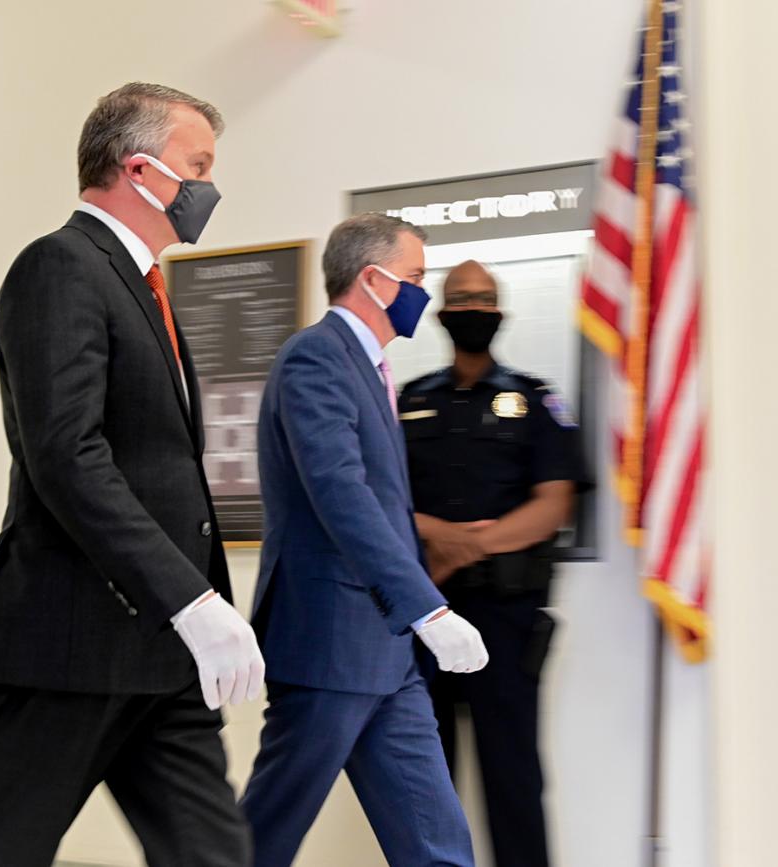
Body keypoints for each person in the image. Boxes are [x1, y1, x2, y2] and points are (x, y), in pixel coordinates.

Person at [0, 82, 263, 867]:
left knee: (211, 851)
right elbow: (67, 454)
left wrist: (196, 607)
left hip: (162, 657)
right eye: (197, 165)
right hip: (72, 642)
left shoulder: (146, 287)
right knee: (6, 848)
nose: (206, 187)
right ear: (140, 168)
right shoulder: (59, 267)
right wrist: (190, 599)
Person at [240, 214, 489, 867]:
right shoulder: (316, 356)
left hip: (387, 652)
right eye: (414, 278)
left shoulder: (368, 365)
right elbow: (341, 494)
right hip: (329, 643)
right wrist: (428, 606)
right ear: (373, 280)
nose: (421, 294)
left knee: (436, 839)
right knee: (266, 834)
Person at [399, 259, 588, 867]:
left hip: (506, 618)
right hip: (426, 614)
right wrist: (446, 536)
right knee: (425, 783)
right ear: (442, 312)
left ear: (501, 313)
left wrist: (464, 545)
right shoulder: (408, 402)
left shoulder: (535, 400)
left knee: (514, 780)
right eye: (460, 299)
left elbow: (553, 505)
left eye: (484, 300)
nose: (473, 310)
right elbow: (383, 503)